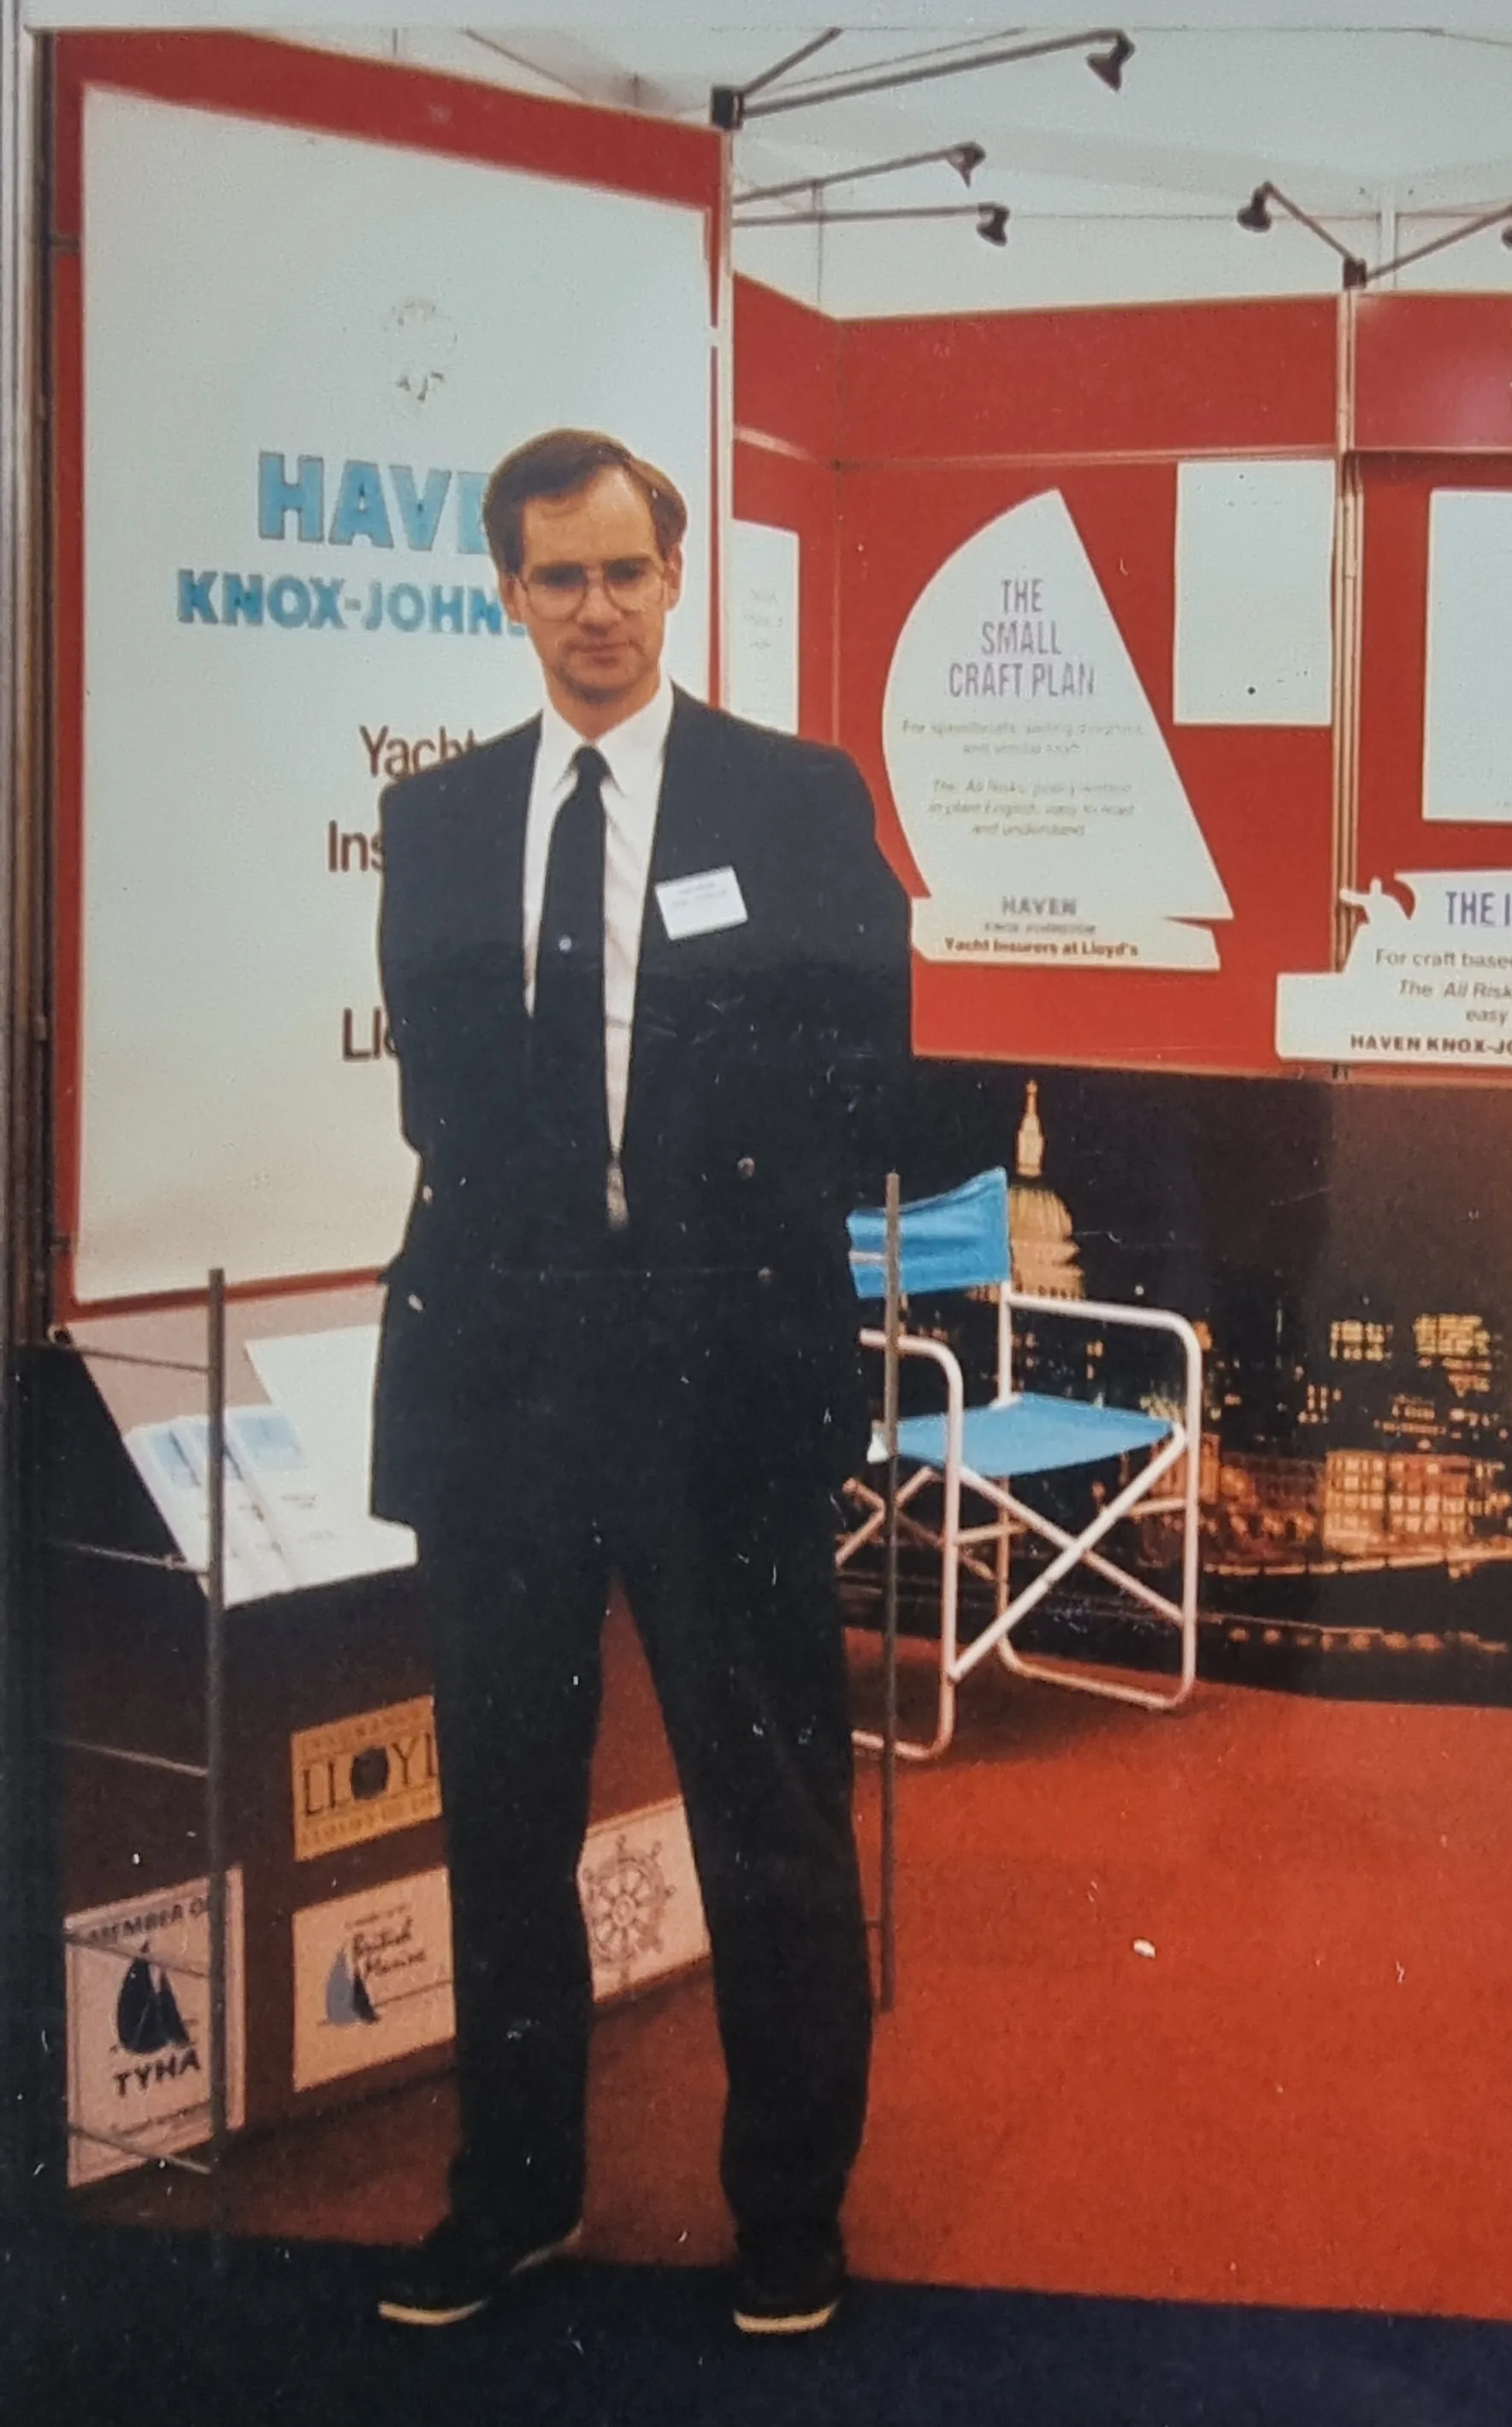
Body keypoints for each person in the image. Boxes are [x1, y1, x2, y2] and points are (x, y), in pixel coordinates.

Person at [369, 428, 910, 2336]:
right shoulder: (438, 823)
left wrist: (685, 1215)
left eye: (624, 571)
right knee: (501, 1819)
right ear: (506, 592)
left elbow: (868, 1082)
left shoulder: (796, 795)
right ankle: (509, 2197)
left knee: (764, 1816)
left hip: (722, 1381)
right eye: (555, 577)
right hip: (504, 1382)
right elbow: (447, 1103)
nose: (594, 611)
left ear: (676, 579)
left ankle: (788, 2212)